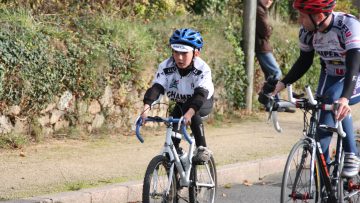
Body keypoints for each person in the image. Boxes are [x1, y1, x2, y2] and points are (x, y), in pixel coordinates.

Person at [272, 0, 360, 177]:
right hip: (330, 75)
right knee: (321, 128)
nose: (299, 20)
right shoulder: (307, 32)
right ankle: (327, 179)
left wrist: (344, 98)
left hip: (355, 73)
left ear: (319, 16)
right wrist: (282, 84)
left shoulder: (348, 25)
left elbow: (353, 65)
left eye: (303, 16)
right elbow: (304, 61)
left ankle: (352, 154)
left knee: (337, 101)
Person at [140, 28, 214, 163]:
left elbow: (200, 95)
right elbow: (157, 88)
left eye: (184, 53)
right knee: (172, 142)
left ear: (196, 53)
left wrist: (190, 114)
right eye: (176, 52)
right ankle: (175, 171)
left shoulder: (202, 69)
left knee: (190, 109)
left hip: (202, 102)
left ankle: (202, 148)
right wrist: (146, 107)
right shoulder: (166, 66)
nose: (179, 57)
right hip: (181, 104)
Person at [256, 0, 282, 97]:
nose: (269, 1)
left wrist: (269, 29)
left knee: (270, 76)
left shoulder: (262, 9)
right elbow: (265, 31)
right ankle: (265, 95)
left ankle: (275, 102)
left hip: (263, 45)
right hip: (262, 47)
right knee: (276, 72)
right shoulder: (259, 9)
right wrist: (270, 29)